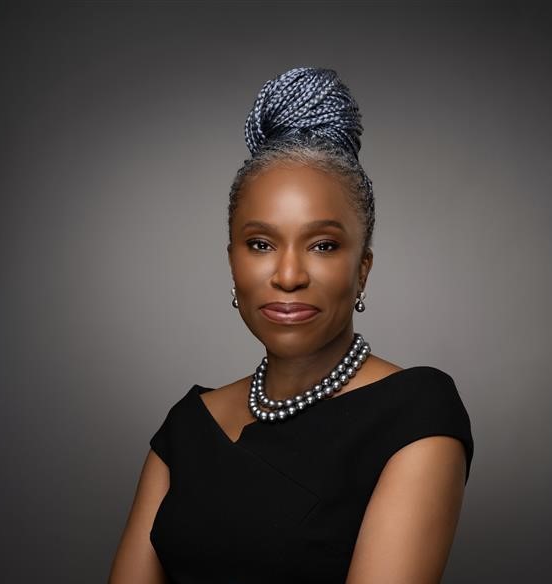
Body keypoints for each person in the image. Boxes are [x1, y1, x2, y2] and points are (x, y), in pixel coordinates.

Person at [108, 66, 474, 584]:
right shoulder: (187, 428)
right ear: (232, 263)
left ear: (362, 269)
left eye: (323, 245)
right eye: (260, 244)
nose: (287, 275)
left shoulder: (416, 414)